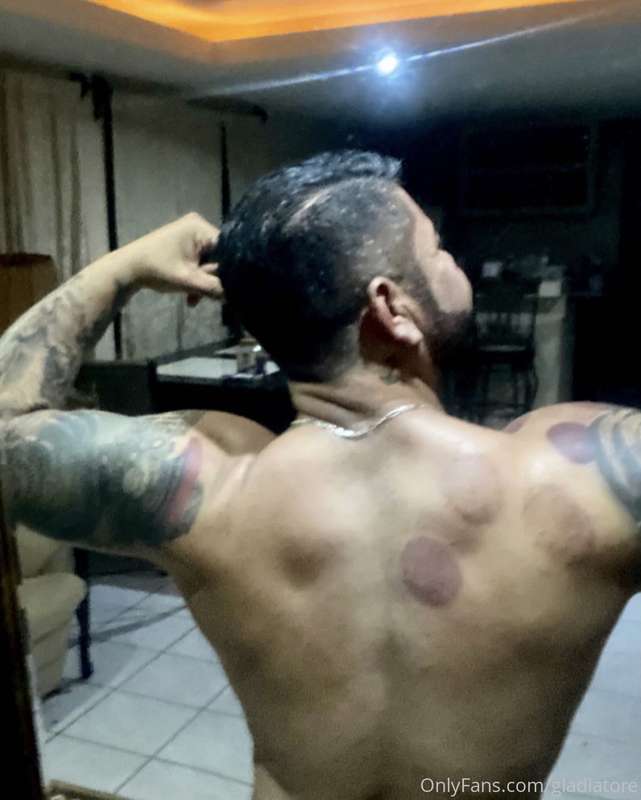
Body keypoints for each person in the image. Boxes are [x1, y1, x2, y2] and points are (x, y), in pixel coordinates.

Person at [1, 151, 639, 800]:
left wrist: (121, 268)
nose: (454, 262)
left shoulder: (212, 488)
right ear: (391, 306)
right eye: (438, 249)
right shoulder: (579, 476)